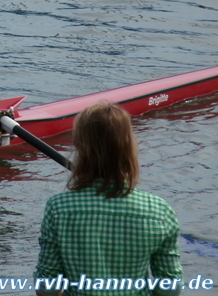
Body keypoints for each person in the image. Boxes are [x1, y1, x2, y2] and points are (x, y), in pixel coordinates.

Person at [34, 102, 183, 296]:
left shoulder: (58, 208)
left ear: (80, 147)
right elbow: (170, 288)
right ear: (129, 147)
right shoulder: (159, 210)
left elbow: (47, 288)